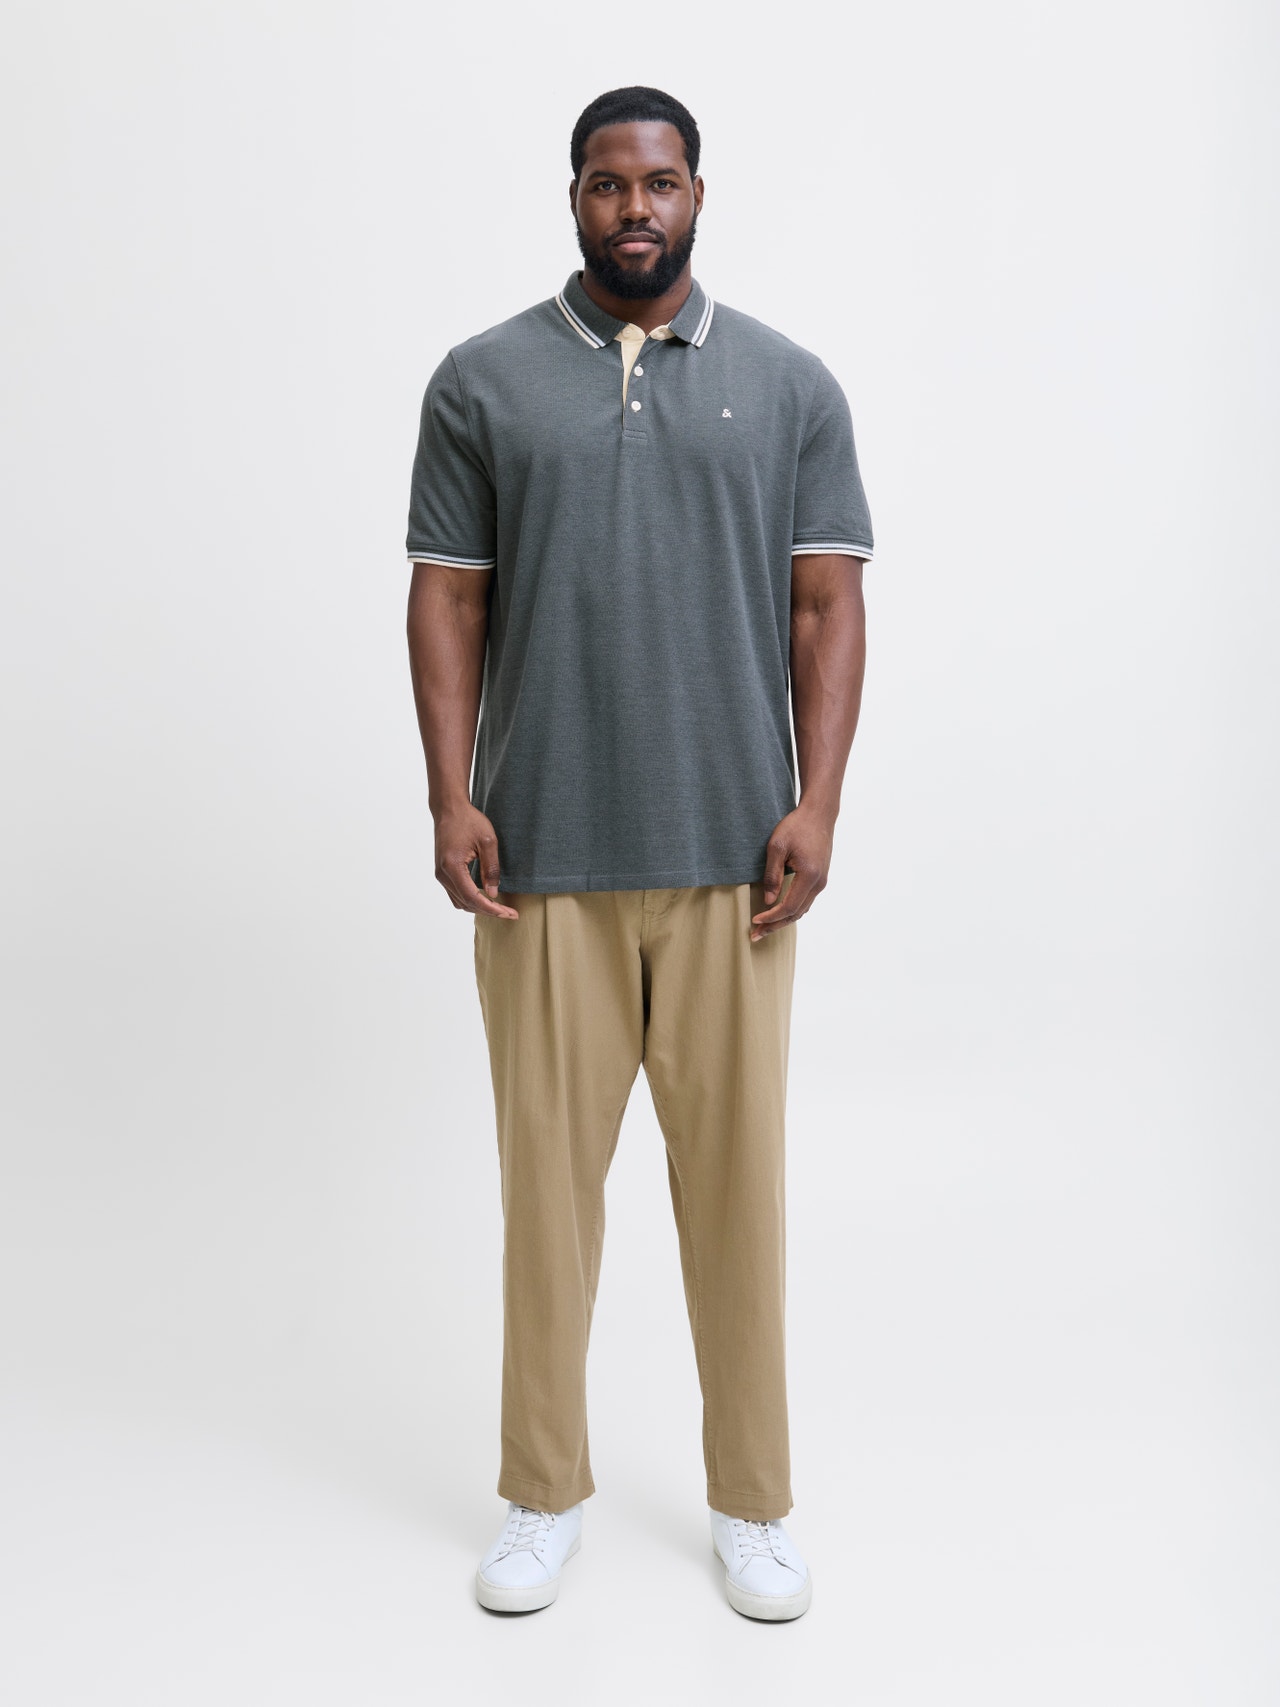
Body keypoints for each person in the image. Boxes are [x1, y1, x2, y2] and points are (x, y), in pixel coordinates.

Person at [404, 85, 874, 1622]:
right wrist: (451, 795)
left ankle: (754, 1503)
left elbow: (827, 603)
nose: (635, 208)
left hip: (737, 867)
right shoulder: (483, 381)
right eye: (608, 183)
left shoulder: (790, 384)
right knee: (547, 1202)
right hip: (542, 860)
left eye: (660, 182)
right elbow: (449, 596)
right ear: (574, 199)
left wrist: (818, 803)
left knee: (740, 1203)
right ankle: (542, 1491)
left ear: (697, 195)